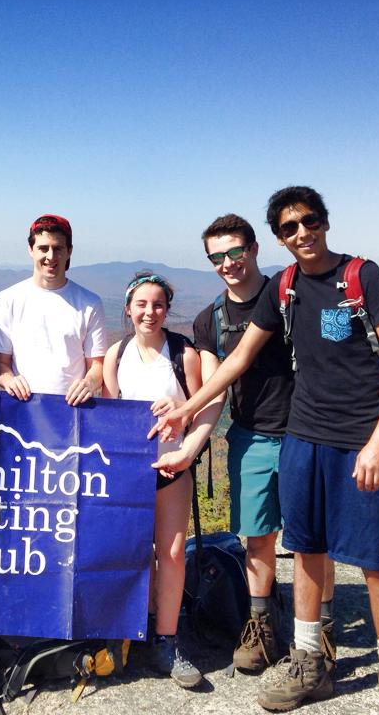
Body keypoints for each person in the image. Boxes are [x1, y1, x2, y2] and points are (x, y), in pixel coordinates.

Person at [152, 187, 379, 714]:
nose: (302, 233)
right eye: (290, 228)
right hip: (303, 438)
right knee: (308, 550)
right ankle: (309, 666)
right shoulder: (287, 287)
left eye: (309, 221)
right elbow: (239, 358)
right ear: (278, 237)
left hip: (360, 442)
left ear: (323, 221)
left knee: (375, 564)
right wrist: (188, 408)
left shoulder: (362, 276)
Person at [190, 214, 336, 674]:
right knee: (256, 538)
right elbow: (215, 387)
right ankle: (261, 627)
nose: (228, 263)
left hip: (307, 433)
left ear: (254, 249)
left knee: (312, 539)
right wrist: (192, 436)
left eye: (235, 251)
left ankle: (322, 629)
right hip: (249, 435)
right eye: (217, 256)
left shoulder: (291, 298)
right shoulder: (209, 319)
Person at [101, 272, 218, 688]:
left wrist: (184, 408)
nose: (150, 313)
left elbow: (207, 406)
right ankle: (135, 629)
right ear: (128, 307)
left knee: (170, 554)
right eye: (142, 304)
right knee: (133, 552)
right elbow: (111, 409)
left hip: (171, 470)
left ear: (167, 309)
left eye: (158, 305)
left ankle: (167, 639)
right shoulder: (116, 354)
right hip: (128, 473)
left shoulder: (182, 353)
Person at [0, 214, 107, 404]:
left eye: (58, 248)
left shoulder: (90, 303)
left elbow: (97, 365)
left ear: (69, 251)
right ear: (30, 250)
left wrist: (88, 384)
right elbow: (1, 363)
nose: (50, 257)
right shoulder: (7, 300)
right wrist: (9, 380)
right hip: (23, 407)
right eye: (43, 248)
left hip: (73, 409)